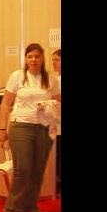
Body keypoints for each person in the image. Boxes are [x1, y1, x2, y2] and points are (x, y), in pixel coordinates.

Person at [0, 43, 61, 212]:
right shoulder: (17, 76)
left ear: (42, 59)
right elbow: (5, 104)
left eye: (37, 56)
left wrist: (50, 108)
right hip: (21, 127)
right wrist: (2, 129)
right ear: (25, 58)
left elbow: (58, 103)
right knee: (22, 169)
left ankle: (30, 208)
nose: (34, 60)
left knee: (37, 170)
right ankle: (12, 209)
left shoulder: (51, 80)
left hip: (43, 129)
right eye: (30, 56)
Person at [51, 49, 61, 197]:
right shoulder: (55, 79)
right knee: (56, 156)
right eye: (53, 60)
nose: (53, 63)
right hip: (56, 125)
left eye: (57, 60)